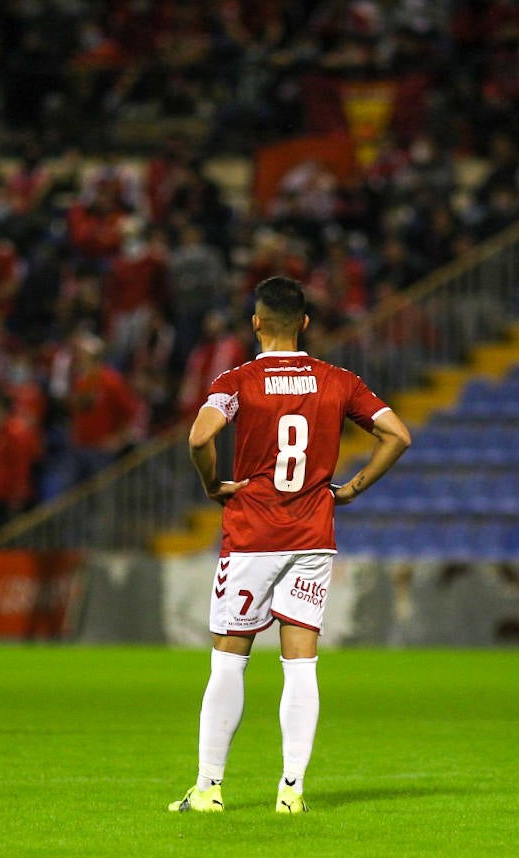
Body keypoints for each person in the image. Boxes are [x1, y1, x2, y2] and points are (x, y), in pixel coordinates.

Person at [168, 276, 411, 814]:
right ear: (305, 323)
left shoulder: (237, 381)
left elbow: (199, 437)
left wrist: (212, 485)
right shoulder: (338, 380)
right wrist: (350, 489)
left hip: (252, 534)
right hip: (311, 534)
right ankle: (292, 792)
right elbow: (398, 435)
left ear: (256, 323)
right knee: (301, 662)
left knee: (229, 660)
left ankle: (209, 789)